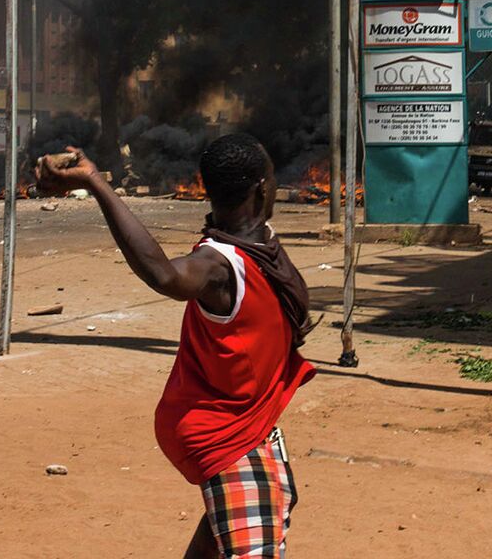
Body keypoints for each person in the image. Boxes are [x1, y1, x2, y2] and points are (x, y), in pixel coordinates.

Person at [36, 134, 314, 559]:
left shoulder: (257, 244)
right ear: (262, 189)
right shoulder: (220, 265)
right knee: (255, 536)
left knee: (269, 501)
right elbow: (165, 276)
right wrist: (95, 182)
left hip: (245, 416)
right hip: (221, 428)